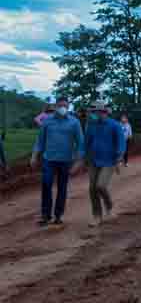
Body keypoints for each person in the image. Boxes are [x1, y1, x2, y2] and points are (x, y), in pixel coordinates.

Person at [31, 97, 85, 226]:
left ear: (68, 107)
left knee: (62, 188)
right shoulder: (47, 121)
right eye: (60, 105)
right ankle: (45, 215)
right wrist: (34, 156)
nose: (63, 108)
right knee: (46, 184)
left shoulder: (74, 123)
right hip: (48, 159)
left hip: (66, 160)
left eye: (65, 106)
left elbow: (81, 143)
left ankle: (58, 215)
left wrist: (79, 161)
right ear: (55, 106)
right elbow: (40, 141)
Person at [84, 100, 125, 227]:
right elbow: (86, 143)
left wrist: (119, 158)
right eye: (93, 112)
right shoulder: (91, 126)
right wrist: (82, 158)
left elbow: (121, 143)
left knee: (100, 186)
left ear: (104, 112)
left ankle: (109, 206)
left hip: (109, 161)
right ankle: (97, 216)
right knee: (92, 188)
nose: (94, 114)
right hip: (93, 161)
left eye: (96, 112)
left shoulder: (115, 125)